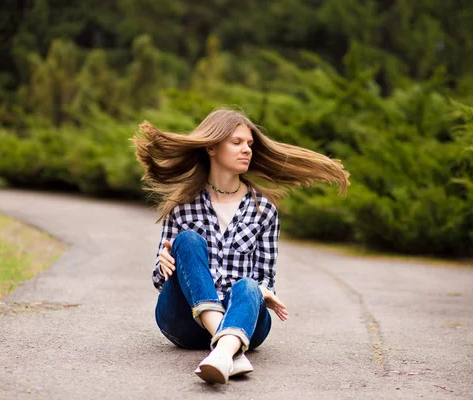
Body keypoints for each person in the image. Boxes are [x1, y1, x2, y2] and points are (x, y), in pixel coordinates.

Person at [132, 108, 350, 384]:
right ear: (211, 146)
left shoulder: (264, 211)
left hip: (244, 319)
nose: (246, 150)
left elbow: (266, 279)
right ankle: (228, 350)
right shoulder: (182, 207)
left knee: (248, 285)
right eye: (236, 143)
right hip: (185, 323)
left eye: (249, 144)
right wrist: (164, 266)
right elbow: (158, 280)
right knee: (187, 240)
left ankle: (222, 352)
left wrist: (263, 293)